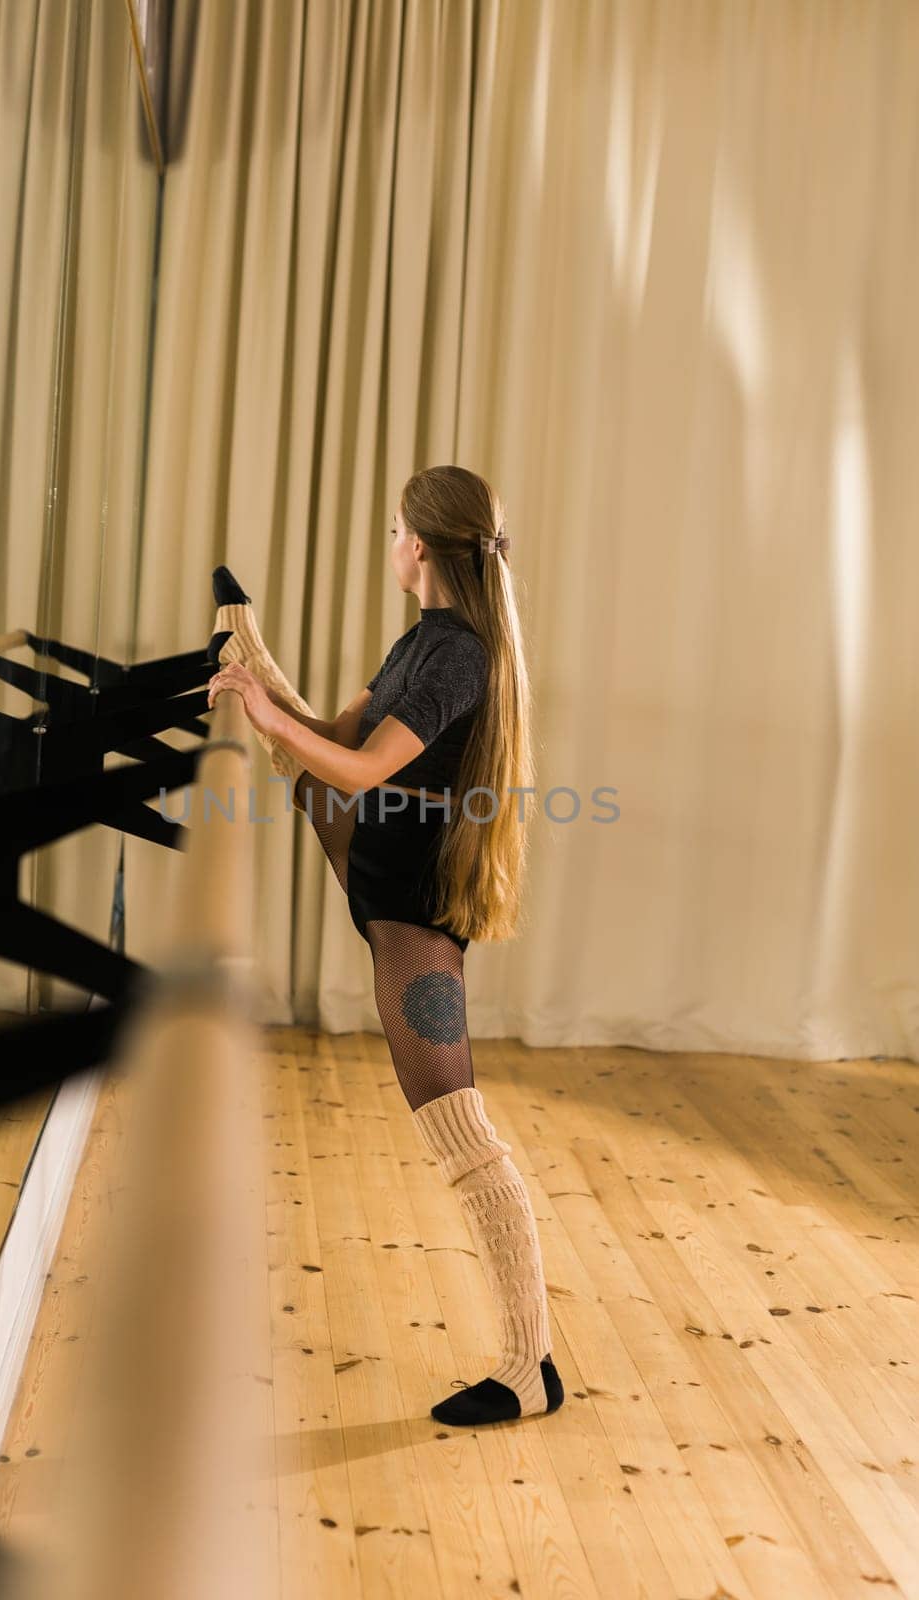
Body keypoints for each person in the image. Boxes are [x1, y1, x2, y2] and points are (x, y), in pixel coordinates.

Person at [207, 465, 564, 1426]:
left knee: (458, 1127)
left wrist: (266, 708)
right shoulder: (424, 641)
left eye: (391, 530)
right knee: (304, 773)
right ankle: (530, 1361)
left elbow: (359, 769)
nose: (388, 543)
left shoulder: (457, 657)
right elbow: (332, 740)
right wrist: (261, 685)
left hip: (411, 914)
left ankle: (530, 1367)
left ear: (415, 543)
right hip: (378, 874)